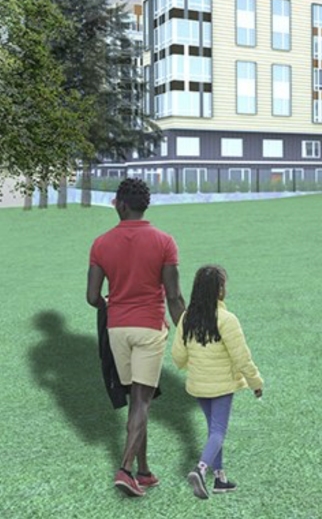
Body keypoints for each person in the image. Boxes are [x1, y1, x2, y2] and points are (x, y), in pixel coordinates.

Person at [87, 178, 185, 497]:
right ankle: (125, 469)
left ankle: (143, 471)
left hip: (118, 329)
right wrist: (185, 331)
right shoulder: (165, 241)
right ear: (143, 205)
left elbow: (91, 297)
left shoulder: (100, 243)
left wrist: (109, 306)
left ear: (121, 204)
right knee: (142, 402)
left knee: (136, 402)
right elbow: (173, 296)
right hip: (149, 327)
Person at [172, 265, 264, 500]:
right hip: (222, 385)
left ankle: (220, 479)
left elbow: (178, 357)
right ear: (219, 289)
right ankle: (201, 470)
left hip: (199, 385)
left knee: (214, 430)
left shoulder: (186, 318)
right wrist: (256, 382)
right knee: (218, 430)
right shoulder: (227, 319)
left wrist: (191, 363)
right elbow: (242, 358)